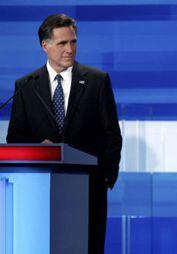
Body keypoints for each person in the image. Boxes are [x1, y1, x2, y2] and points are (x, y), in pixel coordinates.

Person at [7, 13, 122, 254]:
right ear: (45, 46)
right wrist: (41, 148)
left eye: (73, 41)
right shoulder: (25, 85)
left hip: (89, 188)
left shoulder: (97, 81)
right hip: (39, 190)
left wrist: (106, 178)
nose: (70, 49)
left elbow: (111, 133)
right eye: (62, 43)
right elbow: (15, 137)